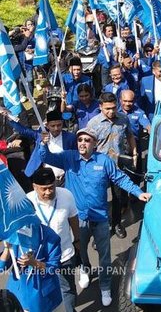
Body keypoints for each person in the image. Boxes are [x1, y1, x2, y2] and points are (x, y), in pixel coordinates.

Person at [38, 128, 152, 307]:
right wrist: (43, 143)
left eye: (87, 140)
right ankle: (85, 269)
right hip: (77, 218)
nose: (82, 143)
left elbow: (120, 179)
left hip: (99, 217)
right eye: (80, 139)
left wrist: (138, 193)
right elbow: (46, 157)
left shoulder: (104, 160)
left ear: (95, 144)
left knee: (105, 256)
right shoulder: (68, 157)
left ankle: (105, 286)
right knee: (80, 251)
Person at [27, 167, 80, 312]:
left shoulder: (66, 195)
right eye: (43, 189)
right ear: (34, 187)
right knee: (44, 292)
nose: (48, 192)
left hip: (65, 255)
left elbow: (73, 219)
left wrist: (77, 241)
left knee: (68, 289)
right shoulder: (27, 201)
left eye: (51, 187)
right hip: (39, 260)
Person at [86, 92, 137, 239]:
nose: (111, 111)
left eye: (114, 108)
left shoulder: (123, 118)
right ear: (100, 107)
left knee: (118, 198)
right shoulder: (93, 124)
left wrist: (134, 154)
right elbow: (88, 147)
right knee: (99, 200)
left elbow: (130, 136)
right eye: (107, 108)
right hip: (99, 168)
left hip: (118, 167)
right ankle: (99, 231)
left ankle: (116, 224)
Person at [0, 223, 63, 312]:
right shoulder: (12, 234)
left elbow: (54, 268)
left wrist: (34, 263)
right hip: (19, 296)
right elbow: (1, 267)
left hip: (46, 298)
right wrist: (7, 249)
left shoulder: (49, 236)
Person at [0, 110, 77, 181]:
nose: (56, 128)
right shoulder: (40, 136)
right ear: (47, 126)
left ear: (62, 123)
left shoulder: (70, 138)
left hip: (64, 179)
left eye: (59, 125)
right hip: (44, 178)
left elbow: (75, 157)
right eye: (53, 126)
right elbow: (23, 130)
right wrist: (8, 117)